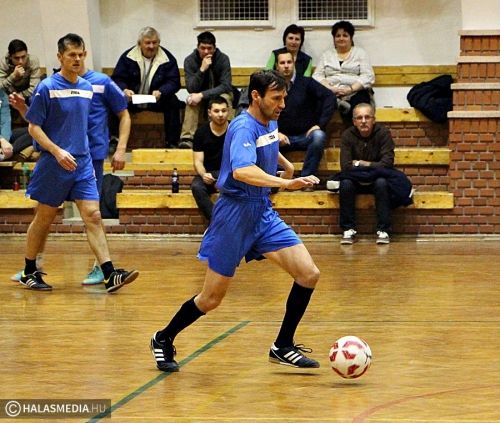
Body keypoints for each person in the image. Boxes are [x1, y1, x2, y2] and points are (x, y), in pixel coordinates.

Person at [150, 70, 321, 372]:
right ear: (256, 96)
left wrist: (286, 165)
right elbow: (242, 170)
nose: (282, 104)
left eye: (284, 97)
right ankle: (163, 337)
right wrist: (285, 183)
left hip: (262, 213)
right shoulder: (242, 126)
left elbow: (268, 144)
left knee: (308, 274)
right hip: (234, 216)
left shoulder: (270, 119)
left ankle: (283, 345)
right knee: (211, 299)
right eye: (276, 98)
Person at [18, 33, 138, 292]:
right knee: (44, 218)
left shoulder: (86, 87)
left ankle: (109, 273)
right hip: (54, 163)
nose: (77, 59)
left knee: (93, 215)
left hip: (83, 163)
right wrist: (57, 151)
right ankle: (29, 270)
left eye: (81, 54)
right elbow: (33, 127)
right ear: (60, 57)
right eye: (71, 55)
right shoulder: (47, 87)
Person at [339, 103, 408, 245]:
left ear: (374, 119)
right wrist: (374, 166)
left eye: (367, 117)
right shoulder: (347, 135)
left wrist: (361, 163)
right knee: (345, 184)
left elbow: (387, 163)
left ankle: (384, 230)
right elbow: (345, 166)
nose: (363, 121)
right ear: (354, 121)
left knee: (382, 183)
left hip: (377, 179)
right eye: (359, 118)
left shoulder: (383, 133)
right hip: (356, 179)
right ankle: (348, 229)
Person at [112, 27, 181, 147]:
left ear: (159, 43)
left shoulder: (167, 58)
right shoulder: (127, 57)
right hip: (132, 100)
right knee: (113, 100)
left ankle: (172, 143)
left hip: (156, 100)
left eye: (154, 42)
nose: (151, 46)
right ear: (139, 43)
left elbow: (174, 81)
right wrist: (124, 90)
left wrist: (161, 91)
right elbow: (117, 78)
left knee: (173, 102)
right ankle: (114, 140)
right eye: (147, 43)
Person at [275, 51, 336, 187]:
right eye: (282, 63)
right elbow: (265, 110)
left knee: (319, 136)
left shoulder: (306, 82)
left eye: (289, 62)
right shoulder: (272, 87)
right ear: (277, 66)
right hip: (281, 137)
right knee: (267, 139)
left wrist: (319, 125)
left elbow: (330, 97)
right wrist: (275, 132)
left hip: (305, 136)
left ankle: (306, 180)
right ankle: (279, 181)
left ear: (294, 64)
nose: (286, 66)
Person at [312, 21, 375, 122]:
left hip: (355, 92)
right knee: (318, 103)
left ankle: (352, 130)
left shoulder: (360, 53)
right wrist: (330, 88)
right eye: (338, 36)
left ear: (351, 37)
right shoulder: (326, 55)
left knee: (358, 107)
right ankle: (319, 129)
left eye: (345, 35)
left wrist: (350, 89)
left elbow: (368, 76)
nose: (341, 38)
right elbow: (317, 76)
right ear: (334, 38)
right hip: (331, 92)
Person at [179, 31, 233, 149]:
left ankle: (228, 134)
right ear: (197, 47)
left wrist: (202, 95)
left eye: (209, 48)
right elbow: (191, 88)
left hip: (219, 95)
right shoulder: (190, 60)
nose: (206, 52)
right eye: (203, 48)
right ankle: (187, 139)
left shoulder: (223, 59)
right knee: (191, 100)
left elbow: (226, 86)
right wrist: (202, 70)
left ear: (214, 48)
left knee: (225, 98)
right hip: (201, 99)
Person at [191, 96, 228, 221]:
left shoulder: (235, 130)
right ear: (209, 113)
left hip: (230, 174)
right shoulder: (201, 132)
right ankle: (216, 222)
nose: (220, 114)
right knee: (197, 186)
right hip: (210, 175)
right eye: (216, 111)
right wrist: (204, 175)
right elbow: (198, 161)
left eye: (224, 110)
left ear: (228, 111)